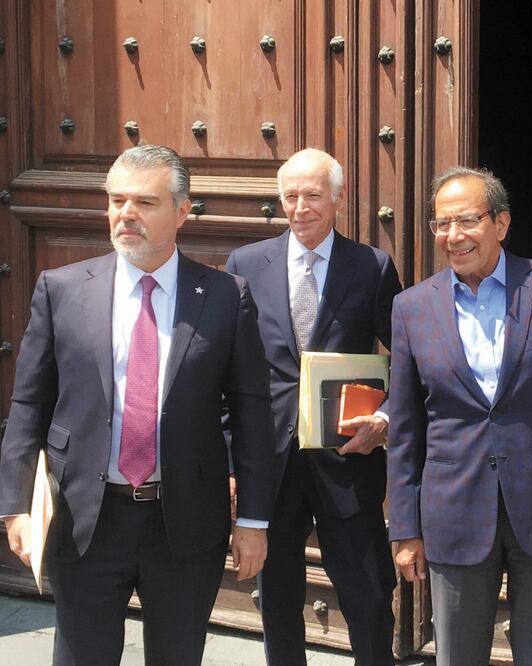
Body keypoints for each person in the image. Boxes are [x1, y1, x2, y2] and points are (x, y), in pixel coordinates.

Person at [0, 144, 276, 665]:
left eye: (145, 203)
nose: (126, 214)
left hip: (185, 524)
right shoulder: (61, 290)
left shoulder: (225, 295)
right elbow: (29, 404)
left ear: (182, 212)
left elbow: (252, 414)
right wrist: (15, 505)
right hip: (84, 520)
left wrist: (254, 521)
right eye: (116, 200)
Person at [388, 166, 532, 665]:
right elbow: (405, 428)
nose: (453, 235)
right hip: (453, 511)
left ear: (502, 223)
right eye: (442, 223)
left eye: (467, 220)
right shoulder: (411, 308)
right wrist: (404, 527)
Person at [225, 148, 402, 665]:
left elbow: (410, 357)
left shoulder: (371, 266)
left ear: (338, 199)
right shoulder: (245, 264)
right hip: (270, 464)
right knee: (277, 601)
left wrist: (386, 417)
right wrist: (233, 459)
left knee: (369, 597)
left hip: (348, 457)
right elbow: (228, 369)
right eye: (290, 196)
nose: (300, 207)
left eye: (313, 195)